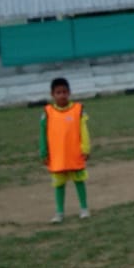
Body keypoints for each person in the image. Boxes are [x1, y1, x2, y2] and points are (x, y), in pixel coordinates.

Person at [42, 77, 91, 223]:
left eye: (64, 92)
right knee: (59, 184)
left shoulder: (78, 109)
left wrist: (86, 148)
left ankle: (84, 209)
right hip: (57, 156)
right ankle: (59, 212)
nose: (62, 95)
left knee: (79, 181)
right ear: (52, 94)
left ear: (69, 92)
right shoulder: (47, 112)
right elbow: (42, 134)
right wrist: (43, 151)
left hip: (74, 153)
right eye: (58, 92)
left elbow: (84, 130)